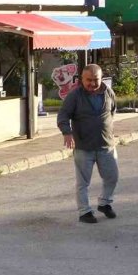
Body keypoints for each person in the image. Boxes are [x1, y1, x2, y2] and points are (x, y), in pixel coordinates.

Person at [57, 64, 119, 224]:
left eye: (95, 80)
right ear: (82, 80)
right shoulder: (74, 96)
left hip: (106, 145)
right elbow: (63, 115)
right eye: (88, 80)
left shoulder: (108, 92)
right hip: (84, 147)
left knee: (112, 177)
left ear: (101, 78)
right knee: (83, 182)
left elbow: (112, 111)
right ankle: (84, 212)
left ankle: (105, 203)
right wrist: (67, 132)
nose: (92, 83)